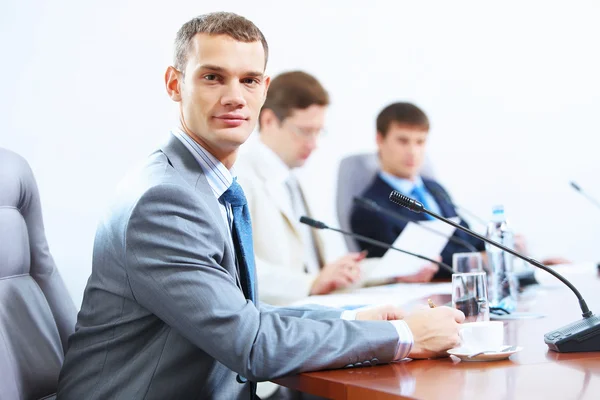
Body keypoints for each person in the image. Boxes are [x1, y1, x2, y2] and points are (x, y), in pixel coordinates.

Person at [56, 13, 464, 400]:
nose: (235, 97)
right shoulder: (164, 200)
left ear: (264, 90)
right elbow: (251, 344)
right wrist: (407, 336)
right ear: (174, 84)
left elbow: (244, 313)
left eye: (249, 80)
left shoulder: (201, 183)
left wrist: (354, 320)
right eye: (213, 77)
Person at [237, 72, 438, 306]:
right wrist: (311, 284)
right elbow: (240, 270)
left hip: (315, 307)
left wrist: (395, 271)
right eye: (305, 131)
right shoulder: (240, 178)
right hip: (278, 317)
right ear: (269, 121)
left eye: (318, 131)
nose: (313, 143)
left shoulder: (296, 182)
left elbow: (325, 274)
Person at [350, 102, 569, 279]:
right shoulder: (370, 206)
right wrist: (481, 259)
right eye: (403, 141)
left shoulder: (434, 189)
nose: (413, 151)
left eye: (420, 142)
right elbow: (407, 265)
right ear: (379, 140)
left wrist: (511, 250)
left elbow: (465, 237)